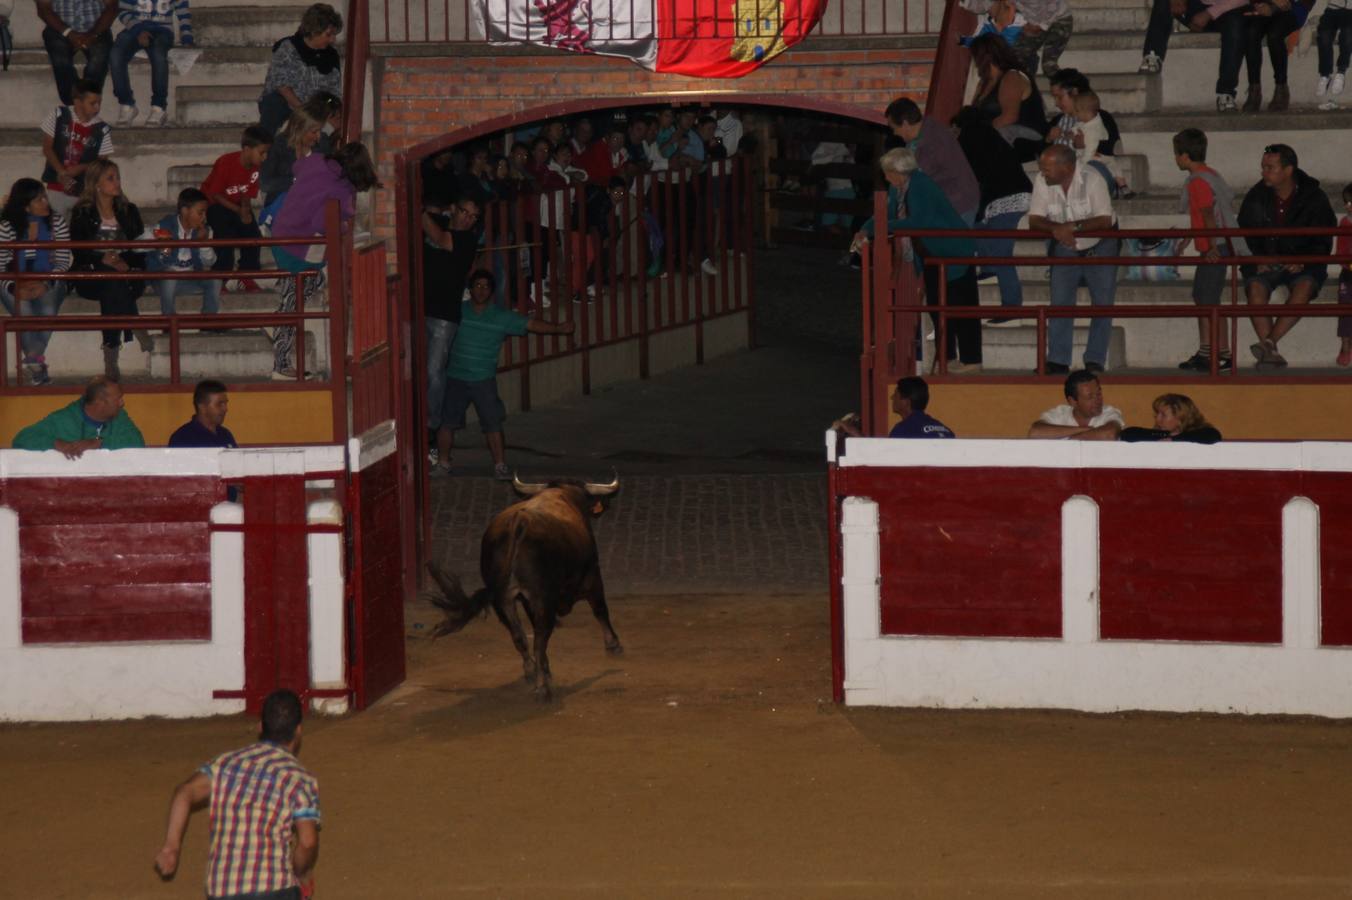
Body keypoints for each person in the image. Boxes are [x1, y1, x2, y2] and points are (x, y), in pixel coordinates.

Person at [153, 689, 320, 899]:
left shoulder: (225, 764)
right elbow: (307, 842)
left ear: (260, 727)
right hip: (274, 888)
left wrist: (171, 848)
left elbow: (185, 791)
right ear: (298, 731)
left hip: (223, 890)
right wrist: (301, 874)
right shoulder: (299, 778)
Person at [432, 269, 575, 479]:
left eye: (486, 286)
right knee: (446, 423)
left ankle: (499, 465)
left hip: (483, 380)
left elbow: (531, 324)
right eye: (477, 285)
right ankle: (443, 463)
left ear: (492, 291)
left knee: (493, 424)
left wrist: (558, 329)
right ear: (470, 289)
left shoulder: (500, 316)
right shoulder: (458, 311)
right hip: (456, 377)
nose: (481, 290)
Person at [852, 147, 982, 374]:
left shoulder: (921, 184)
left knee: (961, 306)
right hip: (932, 255)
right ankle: (947, 357)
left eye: (887, 172)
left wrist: (881, 228)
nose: (885, 177)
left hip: (953, 251)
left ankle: (971, 360)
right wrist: (866, 229)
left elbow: (918, 221)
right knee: (937, 307)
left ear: (898, 171)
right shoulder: (898, 188)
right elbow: (885, 212)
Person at [270, 141, 380, 379]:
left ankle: (278, 329)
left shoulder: (317, 160)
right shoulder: (339, 189)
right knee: (294, 301)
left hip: (282, 232)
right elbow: (323, 223)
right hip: (300, 246)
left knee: (299, 293)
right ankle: (280, 364)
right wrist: (344, 223)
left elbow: (297, 166)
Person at [1237, 143, 1336, 368]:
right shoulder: (1257, 194)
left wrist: (1303, 259)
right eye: (1263, 167)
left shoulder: (1314, 196)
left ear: (1288, 170)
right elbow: (1244, 232)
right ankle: (1270, 349)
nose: (1263, 172)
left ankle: (1269, 343)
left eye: (1269, 167)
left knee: (1305, 285)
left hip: (1305, 262)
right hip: (1266, 260)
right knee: (1255, 288)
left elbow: (1324, 238)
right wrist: (1257, 258)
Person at [1027, 144, 1119, 375]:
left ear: (1066, 168)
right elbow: (1035, 219)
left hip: (1101, 242)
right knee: (1059, 302)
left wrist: (1071, 227)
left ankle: (1095, 359)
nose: (1042, 172)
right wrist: (1058, 229)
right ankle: (1058, 360)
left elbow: (1105, 220)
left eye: (1047, 168)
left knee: (1103, 303)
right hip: (1065, 242)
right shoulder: (1042, 180)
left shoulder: (1093, 179)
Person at [68, 158, 151, 380]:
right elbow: (79, 251)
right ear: (96, 184)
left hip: (123, 276)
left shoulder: (129, 210)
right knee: (110, 279)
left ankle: (110, 353)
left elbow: (139, 246)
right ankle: (134, 321)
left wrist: (127, 263)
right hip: (90, 273)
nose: (117, 182)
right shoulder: (82, 212)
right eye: (110, 178)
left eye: (118, 177)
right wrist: (101, 258)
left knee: (113, 285)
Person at [1172, 128, 1244, 371]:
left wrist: (1212, 244)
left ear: (1184, 156)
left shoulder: (1198, 182)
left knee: (1209, 300)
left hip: (1215, 247)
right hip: (1214, 245)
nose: (1175, 159)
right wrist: (1188, 240)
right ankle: (1207, 351)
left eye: (1176, 154)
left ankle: (1222, 353)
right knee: (1203, 297)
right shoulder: (1210, 174)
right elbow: (1204, 217)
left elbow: (1207, 214)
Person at [952, 106, 1031, 315]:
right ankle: (988, 268)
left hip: (1004, 198)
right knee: (980, 230)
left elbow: (969, 178)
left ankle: (1012, 305)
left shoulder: (967, 140)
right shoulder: (991, 136)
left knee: (1001, 254)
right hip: (1015, 194)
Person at [422, 194, 482, 457]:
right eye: (465, 212)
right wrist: (434, 210)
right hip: (419, 310)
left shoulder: (467, 240)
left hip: (444, 316)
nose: (468, 219)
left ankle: (431, 426)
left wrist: (421, 212)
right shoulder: (439, 221)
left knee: (435, 372)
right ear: (454, 209)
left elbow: (439, 239)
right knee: (418, 371)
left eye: (473, 216)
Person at [0, 177, 72, 386]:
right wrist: (15, 286)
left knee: (48, 308)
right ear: (25, 205)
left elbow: (63, 260)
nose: (45, 203)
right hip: (13, 280)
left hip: (49, 279)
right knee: (23, 307)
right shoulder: (6, 227)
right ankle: (37, 364)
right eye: (39, 199)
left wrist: (46, 283)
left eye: (44, 197)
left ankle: (33, 357)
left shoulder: (56, 222)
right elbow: (1, 265)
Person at [1137, 0, 1249, 112]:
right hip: (1192, 5)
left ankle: (1226, 93)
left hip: (1226, 10)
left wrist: (1209, 13)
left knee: (1236, 23)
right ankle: (1153, 55)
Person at [884, 97, 979, 225]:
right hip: (954, 202)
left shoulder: (931, 141)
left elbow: (914, 178)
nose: (894, 133)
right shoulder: (923, 136)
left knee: (951, 244)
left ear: (905, 124)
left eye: (894, 128)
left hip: (958, 204)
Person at [202, 124, 273, 292]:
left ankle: (246, 276)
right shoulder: (225, 162)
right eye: (262, 152)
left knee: (253, 234)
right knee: (225, 237)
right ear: (247, 149)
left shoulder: (256, 167)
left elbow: (247, 191)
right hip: (214, 204)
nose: (265, 157)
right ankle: (220, 278)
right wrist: (238, 211)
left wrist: (246, 211)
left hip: (236, 204)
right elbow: (216, 195)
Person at [258, 2, 343, 135]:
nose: (332, 40)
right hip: (287, 105)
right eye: (328, 35)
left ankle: (316, 151)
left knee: (333, 119)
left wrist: (328, 104)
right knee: (273, 103)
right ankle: (267, 147)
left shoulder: (331, 56)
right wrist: (304, 113)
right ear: (315, 31)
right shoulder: (288, 48)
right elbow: (282, 86)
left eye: (334, 35)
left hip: (315, 110)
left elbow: (333, 95)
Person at [108, 0, 193, 127]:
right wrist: (138, 31)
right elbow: (123, 11)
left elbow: (183, 12)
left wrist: (187, 36)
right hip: (134, 28)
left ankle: (159, 107)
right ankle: (126, 103)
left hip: (162, 30)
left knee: (159, 54)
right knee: (115, 54)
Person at [13, 375, 144, 455]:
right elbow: (21, 440)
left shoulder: (119, 417)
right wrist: (55, 443)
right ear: (99, 402)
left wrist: (99, 444)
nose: (122, 403)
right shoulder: (63, 419)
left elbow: (138, 443)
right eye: (118, 399)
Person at [40, 76, 114, 216]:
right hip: (56, 186)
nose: (97, 107)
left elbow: (102, 162)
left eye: (99, 103)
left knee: (79, 231)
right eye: (93, 103)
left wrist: (82, 167)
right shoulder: (59, 115)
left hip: (84, 190)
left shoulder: (102, 129)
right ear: (78, 102)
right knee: (56, 228)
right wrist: (62, 172)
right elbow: (47, 148)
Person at [969, 35, 1047, 163]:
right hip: (997, 133)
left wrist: (981, 132)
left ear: (986, 56)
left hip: (1024, 135)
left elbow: (1009, 117)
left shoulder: (1012, 76)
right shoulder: (984, 83)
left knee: (992, 136)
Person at [148, 187, 220, 319]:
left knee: (215, 278)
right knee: (170, 276)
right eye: (200, 213)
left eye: (205, 213)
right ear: (185, 211)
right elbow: (155, 260)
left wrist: (203, 243)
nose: (204, 218)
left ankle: (209, 320)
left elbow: (210, 261)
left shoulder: (204, 230)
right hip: (163, 282)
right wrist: (164, 249)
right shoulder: (164, 226)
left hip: (189, 279)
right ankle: (168, 321)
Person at [259, 95, 337, 208]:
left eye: (320, 130)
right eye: (314, 132)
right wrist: (296, 181)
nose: (318, 136)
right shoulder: (280, 144)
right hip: (283, 205)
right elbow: (265, 183)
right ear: (300, 129)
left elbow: (327, 176)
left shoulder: (322, 143)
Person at [36, 0, 117, 105]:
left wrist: (93, 34)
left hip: (96, 28)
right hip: (60, 29)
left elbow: (113, 6)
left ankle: (88, 102)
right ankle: (74, 103)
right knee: (60, 58)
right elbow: (43, 9)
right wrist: (68, 33)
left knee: (99, 58)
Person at [1242, 0, 1316, 111]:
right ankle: (1254, 89)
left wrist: (1278, 5)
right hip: (1266, 4)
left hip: (1293, 8)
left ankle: (1281, 89)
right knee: (1251, 32)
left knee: (1274, 34)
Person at [832, 376, 956, 438]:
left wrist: (854, 433)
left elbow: (882, 460)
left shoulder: (904, 430)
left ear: (905, 402)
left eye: (896, 395)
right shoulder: (945, 430)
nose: (892, 398)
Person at [1028, 369, 1123, 440]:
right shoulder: (1060, 413)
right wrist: (1083, 430)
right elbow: (1035, 432)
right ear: (1073, 401)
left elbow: (1110, 434)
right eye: (1090, 397)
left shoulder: (1108, 412)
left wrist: (1071, 441)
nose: (1098, 400)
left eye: (1098, 393)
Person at [1120, 393, 1223, 443]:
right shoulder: (1159, 434)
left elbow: (1213, 435)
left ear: (1180, 418)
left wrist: (1174, 439)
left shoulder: (1201, 434)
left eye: (1163, 415)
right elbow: (1128, 433)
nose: (1157, 419)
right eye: (1157, 414)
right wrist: (1165, 435)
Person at [168, 379, 237, 447]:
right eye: (219, 404)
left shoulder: (225, 435)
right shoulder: (182, 438)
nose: (225, 409)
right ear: (202, 407)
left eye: (225, 403)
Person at [1316, 0, 1352, 108]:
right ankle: (1325, 75)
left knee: (1348, 36)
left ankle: (1341, 72)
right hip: (1332, 8)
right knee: (1323, 36)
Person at [1337, 183, 1352, 366]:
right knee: (1345, 310)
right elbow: (1340, 250)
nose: (1348, 206)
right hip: (1348, 272)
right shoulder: (1344, 222)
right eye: (1346, 202)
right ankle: (1346, 346)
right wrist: (1346, 263)